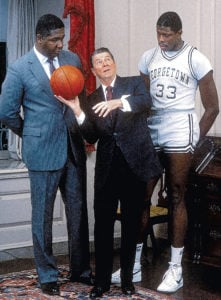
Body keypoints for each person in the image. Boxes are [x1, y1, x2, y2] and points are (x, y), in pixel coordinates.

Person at [111, 11, 219, 293]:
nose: (161, 39)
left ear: (179, 32)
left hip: (180, 126)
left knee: (176, 196)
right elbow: (143, 99)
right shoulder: (148, 58)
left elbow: (212, 107)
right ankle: (132, 263)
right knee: (140, 197)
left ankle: (175, 269)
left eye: (167, 35)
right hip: (152, 125)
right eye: (158, 33)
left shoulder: (196, 58)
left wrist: (194, 138)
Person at [55, 47, 162, 298]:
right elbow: (91, 135)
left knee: (130, 225)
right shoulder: (91, 99)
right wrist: (77, 111)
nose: (104, 64)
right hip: (106, 169)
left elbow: (147, 102)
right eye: (98, 62)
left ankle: (127, 281)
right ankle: (101, 282)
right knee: (102, 227)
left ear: (114, 63)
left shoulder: (134, 84)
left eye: (108, 60)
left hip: (134, 166)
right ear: (92, 71)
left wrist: (118, 102)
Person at [0, 14, 94, 296]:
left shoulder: (72, 60)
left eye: (61, 38)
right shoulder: (19, 69)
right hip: (41, 151)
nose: (59, 44)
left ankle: (81, 270)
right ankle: (47, 274)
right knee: (42, 215)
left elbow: (80, 100)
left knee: (78, 212)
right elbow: (6, 112)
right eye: (54, 39)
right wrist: (31, 134)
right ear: (39, 38)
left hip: (73, 148)